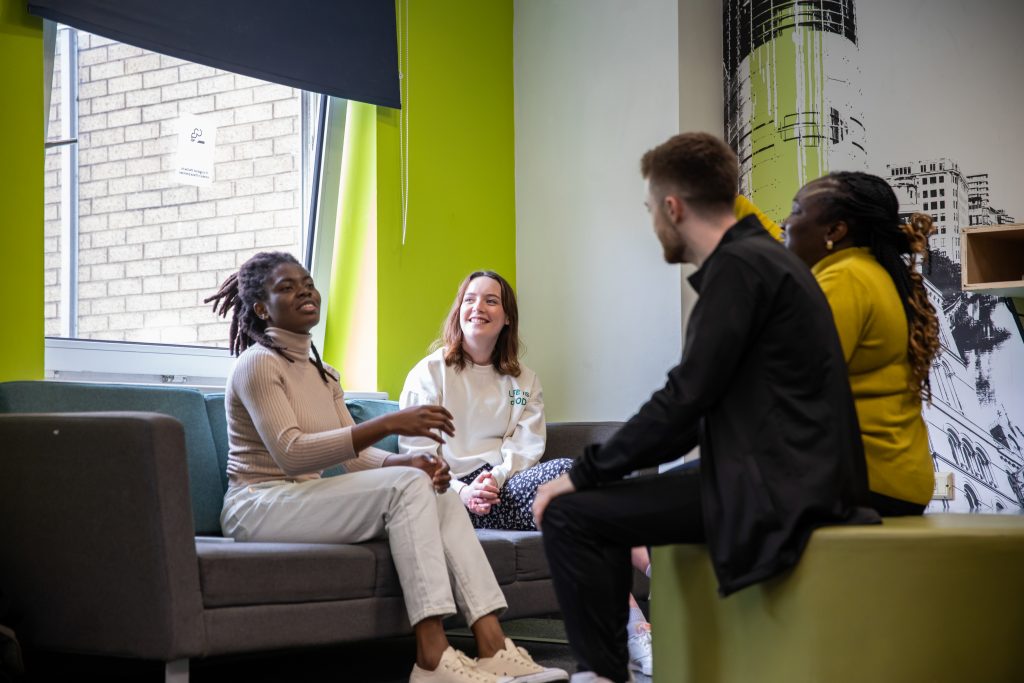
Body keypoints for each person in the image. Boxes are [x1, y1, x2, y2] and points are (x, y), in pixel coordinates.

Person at [531, 133, 880, 683]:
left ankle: (598, 675)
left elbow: (685, 401)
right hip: (801, 474)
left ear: (673, 207)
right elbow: (695, 404)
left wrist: (583, 473)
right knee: (605, 498)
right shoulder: (765, 261)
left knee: (572, 515)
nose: (653, 223)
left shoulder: (739, 269)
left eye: (651, 210)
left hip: (780, 490)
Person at [204, 251, 567, 683]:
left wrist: (406, 460)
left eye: (307, 283)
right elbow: (291, 453)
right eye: (287, 287)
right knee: (406, 487)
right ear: (261, 308)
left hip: (300, 498)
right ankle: (432, 655)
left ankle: (492, 645)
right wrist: (389, 424)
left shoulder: (325, 375)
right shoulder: (257, 364)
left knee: (428, 487)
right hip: (258, 504)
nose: (304, 291)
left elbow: (353, 458)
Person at [398, 271, 654, 676]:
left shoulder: (521, 381)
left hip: (504, 488)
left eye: (490, 301)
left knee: (571, 477)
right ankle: (641, 608)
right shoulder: (430, 374)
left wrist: (495, 479)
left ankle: (639, 617)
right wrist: (465, 491)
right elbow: (417, 452)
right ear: (457, 310)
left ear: (506, 319)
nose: (477, 308)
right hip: (447, 493)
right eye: (469, 299)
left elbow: (527, 446)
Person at [782, 172, 941, 516]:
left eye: (795, 211)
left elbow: (791, 383)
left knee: (645, 506)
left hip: (863, 480)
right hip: (900, 478)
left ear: (834, 231)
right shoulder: (873, 271)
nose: (785, 222)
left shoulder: (844, 278)